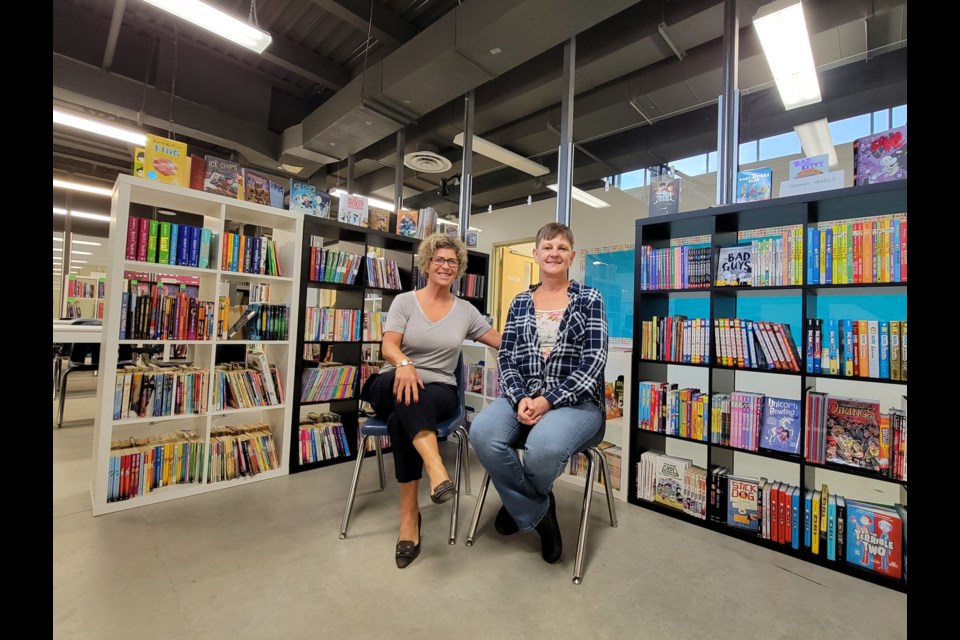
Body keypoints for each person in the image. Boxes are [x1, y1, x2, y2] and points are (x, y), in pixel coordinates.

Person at [470, 222, 608, 564]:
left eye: (561, 248)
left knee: (543, 448)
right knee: (483, 432)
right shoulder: (519, 303)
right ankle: (539, 511)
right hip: (523, 397)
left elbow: (594, 361)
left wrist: (549, 400)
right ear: (535, 254)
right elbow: (508, 357)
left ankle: (518, 504)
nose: (554, 253)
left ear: (572, 256)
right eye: (547, 247)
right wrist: (520, 399)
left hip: (578, 404)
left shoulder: (589, 299)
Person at [360, 232, 501, 569]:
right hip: (392, 379)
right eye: (439, 259)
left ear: (459, 268)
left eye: (452, 261)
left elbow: (501, 340)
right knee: (405, 385)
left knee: (402, 417)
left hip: (437, 389)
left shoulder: (466, 311)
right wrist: (405, 365)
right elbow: (389, 346)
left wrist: (540, 343)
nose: (445, 265)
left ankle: (409, 520)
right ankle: (437, 469)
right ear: (426, 263)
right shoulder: (405, 302)